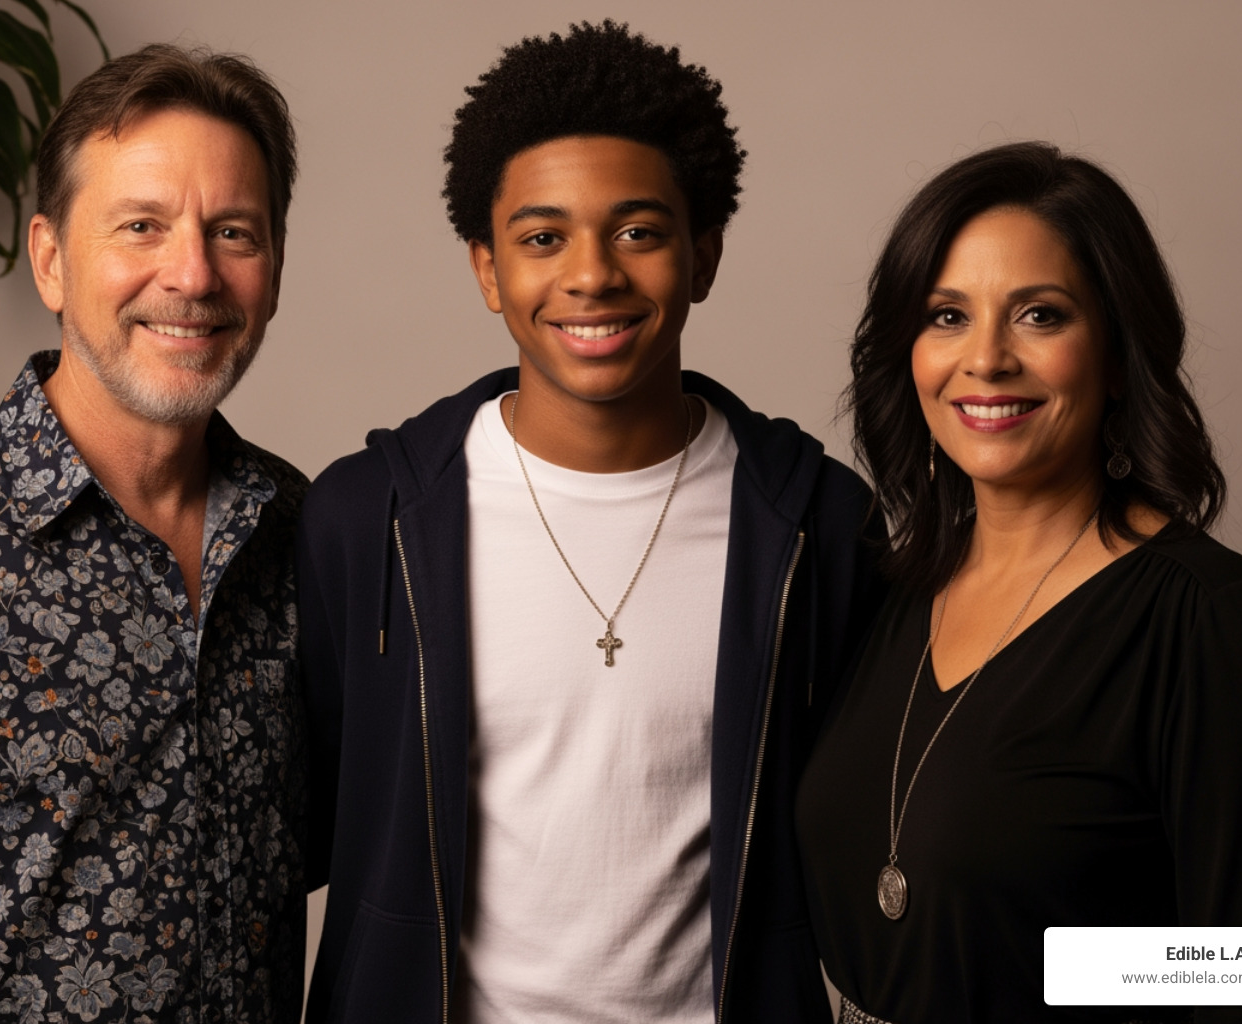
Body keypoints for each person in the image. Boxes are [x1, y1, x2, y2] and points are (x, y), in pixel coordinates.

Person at [298, 20, 884, 1023]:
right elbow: (285, 831)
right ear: (488, 269)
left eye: (639, 231)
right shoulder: (369, 517)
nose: (592, 273)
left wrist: (1154, 972)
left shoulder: (816, 525)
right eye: (542, 237)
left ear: (703, 255)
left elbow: (890, 844)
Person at [0, 44, 308, 1022]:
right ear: (48, 258)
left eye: (234, 231)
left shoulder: (308, 539)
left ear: (274, 267)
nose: (193, 272)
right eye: (141, 226)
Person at [795, 141, 1242, 1022]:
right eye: (946, 317)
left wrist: (1042, 978)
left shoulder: (1208, 620)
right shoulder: (891, 590)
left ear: (1118, 354)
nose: (988, 359)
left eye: (1040, 316)